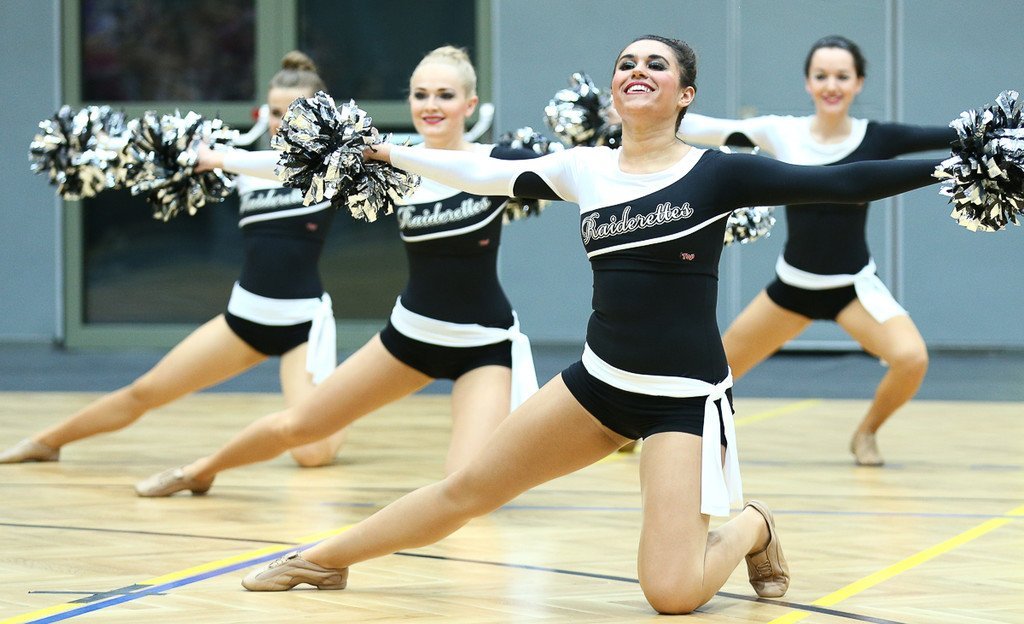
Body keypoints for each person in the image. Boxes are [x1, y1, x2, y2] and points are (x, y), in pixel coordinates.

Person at [238, 35, 945, 614]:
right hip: (595, 386)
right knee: (467, 490)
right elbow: (476, 171)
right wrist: (383, 152)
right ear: (614, 90)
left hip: (681, 403)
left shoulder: (720, 173)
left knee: (671, 595)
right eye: (626, 63)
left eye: (656, 65)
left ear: (685, 94)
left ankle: (752, 526)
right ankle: (318, 559)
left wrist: (954, 161)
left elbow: (844, 181)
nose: (638, 70)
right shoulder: (585, 168)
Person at [133, 45, 542, 496]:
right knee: (297, 426)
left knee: (465, 489)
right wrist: (218, 159)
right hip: (410, 337)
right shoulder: (393, 159)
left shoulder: (500, 163)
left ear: (469, 104)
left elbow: (571, 170)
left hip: (484, 345)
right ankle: (199, 471)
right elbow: (291, 167)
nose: (431, 105)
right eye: (420, 94)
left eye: (445, 95)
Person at [0, 51, 346, 468]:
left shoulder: (332, 167)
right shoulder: (244, 169)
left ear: (320, 116)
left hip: (302, 325)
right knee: (144, 392)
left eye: (294, 113)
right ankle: (45, 441)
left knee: (311, 454)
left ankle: (341, 410)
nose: (282, 122)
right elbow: (152, 157)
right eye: (275, 112)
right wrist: (102, 146)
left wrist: (219, 158)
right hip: (245, 318)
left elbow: (287, 166)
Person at [677, 35, 956, 466]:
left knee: (911, 358)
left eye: (842, 76)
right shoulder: (783, 131)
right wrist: (639, 112)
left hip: (852, 289)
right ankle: (641, 431)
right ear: (808, 82)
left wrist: (1003, 140)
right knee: (709, 374)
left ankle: (866, 433)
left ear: (858, 82)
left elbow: (957, 135)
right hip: (790, 290)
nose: (831, 85)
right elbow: (705, 127)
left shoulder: (878, 137)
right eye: (821, 76)